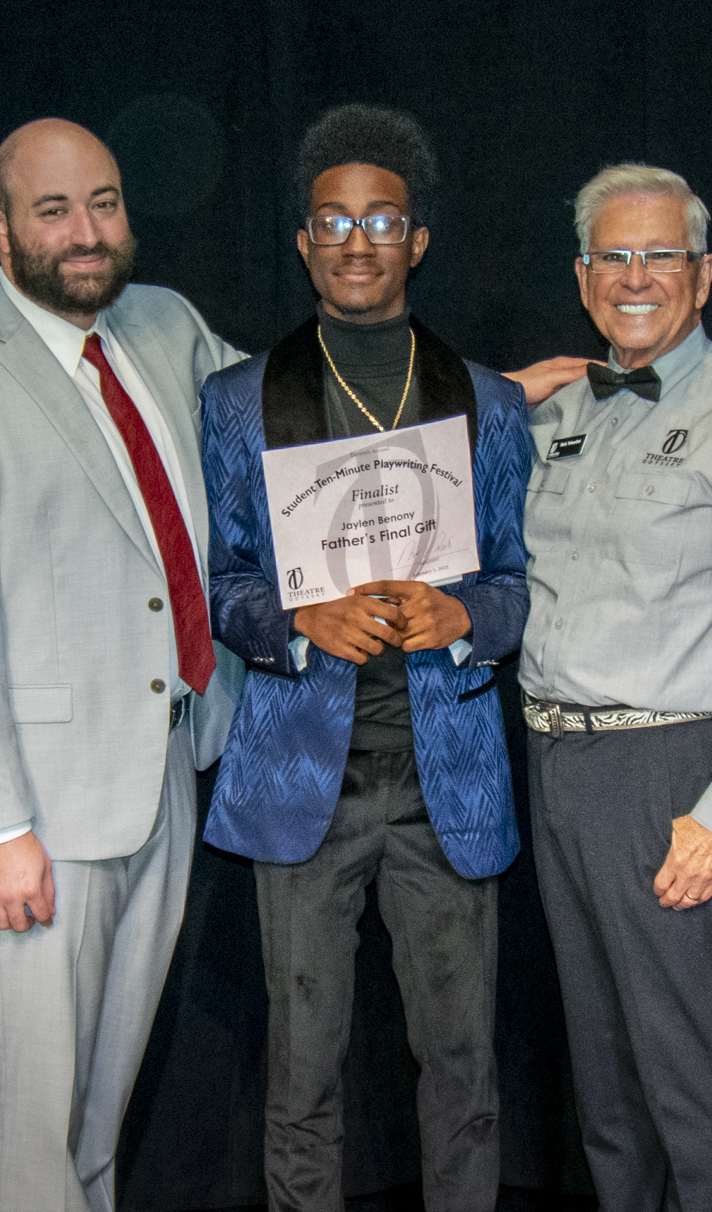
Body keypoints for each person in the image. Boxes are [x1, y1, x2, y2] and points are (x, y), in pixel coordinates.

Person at [0, 119, 245, 1212]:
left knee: (103, 1100)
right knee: (38, 1114)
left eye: (104, 202)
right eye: (53, 210)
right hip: (39, 809)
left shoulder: (165, 324)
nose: (87, 234)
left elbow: (290, 425)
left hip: (169, 760)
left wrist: (472, 400)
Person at [198, 102, 529, 1212]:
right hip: (306, 785)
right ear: (302, 240)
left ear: (415, 241)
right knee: (300, 1074)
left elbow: (517, 579)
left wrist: (468, 619)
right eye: (331, 221)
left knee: (463, 1069)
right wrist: (296, 624)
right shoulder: (239, 400)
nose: (354, 241)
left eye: (378, 220)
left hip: (446, 783)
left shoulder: (486, 402)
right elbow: (224, 583)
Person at [521, 163, 712, 1210]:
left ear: (703, 274)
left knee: (680, 1065)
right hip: (552, 759)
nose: (632, 276)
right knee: (602, 1072)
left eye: (658, 255)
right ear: (581, 273)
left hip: (664, 767)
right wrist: (488, 407)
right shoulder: (558, 410)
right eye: (612, 255)